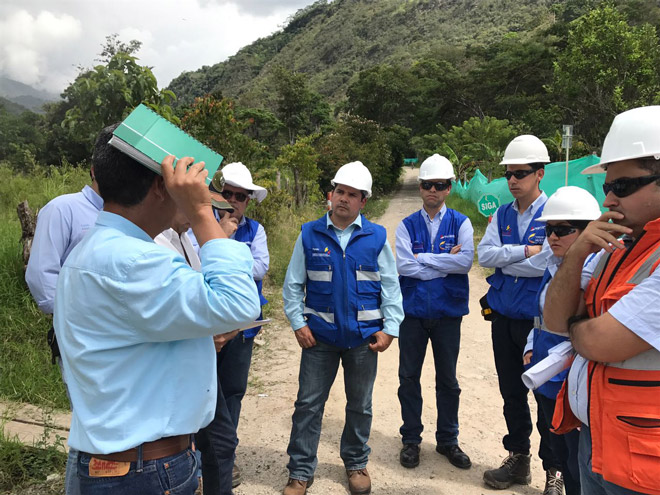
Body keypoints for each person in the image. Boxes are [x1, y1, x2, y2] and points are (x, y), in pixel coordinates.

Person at [54, 124, 261, 495]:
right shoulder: (134, 261)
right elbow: (239, 302)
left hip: (127, 464)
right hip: (141, 471)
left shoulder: (102, 250)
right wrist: (200, 212)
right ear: (161, 187)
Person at [544, 105, 660, 495]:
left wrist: (579, 328)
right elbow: (555, 320)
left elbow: (600, 341)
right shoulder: (620, 246)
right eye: (607, 185)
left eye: (623, 186)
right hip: (600, 435)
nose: (608, 197)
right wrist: (576, 254)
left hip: (644, 459)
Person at [282, 161, 404, 495]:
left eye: (353, 195)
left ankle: (356, 463)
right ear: (330, 195)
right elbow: (293, 285)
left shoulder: (376, 237)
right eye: (340, 192)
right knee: (308, 404)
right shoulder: (309, 234)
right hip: (318, 339)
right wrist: (297, 323)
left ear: (363, 201)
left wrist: (389, 328)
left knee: (360, 405)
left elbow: (390, 287)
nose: (344, 199)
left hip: (363, 341)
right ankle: (300, 471)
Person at [477, 134, 556, 491]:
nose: (512, 180)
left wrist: (507, 256)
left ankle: (554, 472)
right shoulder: (502, 213)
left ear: (540, 174)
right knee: (511, 392)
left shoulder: (555, 214)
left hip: (537, 322)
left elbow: (548, 263)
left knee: (545, 396)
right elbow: (485, 256)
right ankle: (518, 459)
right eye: (509, 173)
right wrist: (524, 251)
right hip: (504, 316)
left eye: (521, 173)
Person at [25, 166, 103, 495]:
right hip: (80, 338)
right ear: (96, 167)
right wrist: (84, 317)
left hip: (122, 341)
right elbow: (42, 278)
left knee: (104, 428)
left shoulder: (134, 214)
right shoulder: (64, 209)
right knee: (89, 426)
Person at [395, 154, 474, 470]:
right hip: (412, 313)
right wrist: (444, 261)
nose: (433, 190)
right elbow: (404, 266)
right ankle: (411, 440)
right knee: (409, 377)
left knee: (448, 380)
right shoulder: (405, 225)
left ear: (449, 187)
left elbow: (465, 262)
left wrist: (423, 259)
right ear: (420, 187)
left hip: (447, 313)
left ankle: (448, 441)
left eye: (439, 185)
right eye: (427, 184)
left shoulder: (462, 222)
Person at [522, 186, 601, 495]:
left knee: (579, 463)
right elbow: (540, 318)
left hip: (572, 384)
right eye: (549, 229)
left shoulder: (593, 270)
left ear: (588, 232)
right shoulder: (554, 265)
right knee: (560, 453)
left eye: (564, 230)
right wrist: (531, 345)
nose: (553, 237)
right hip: (546, 378)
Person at [196, 162, 270, 494]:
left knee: (233, 392)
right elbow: (196, 264)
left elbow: (261, 267)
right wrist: (224, 238)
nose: (234, 200)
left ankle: (226, 454)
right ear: (218, 195)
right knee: (202, 393)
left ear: (248, 200)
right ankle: (199, 455)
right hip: (207, 328)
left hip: (243, 327)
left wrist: (223, 251)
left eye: (241, 196)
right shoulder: (202, 226)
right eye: (229, 193)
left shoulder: (256, 230)